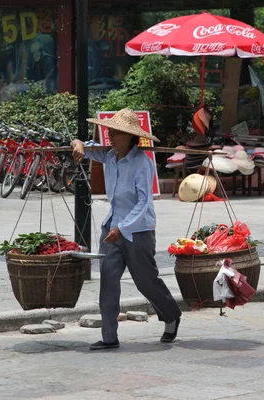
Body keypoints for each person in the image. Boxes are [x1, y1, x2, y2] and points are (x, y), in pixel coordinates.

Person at [71, 108, 182, 350]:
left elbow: (144, 201)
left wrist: (122, 228)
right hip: (112, 227)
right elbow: (86, 146)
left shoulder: (141, 162)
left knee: (145, 280)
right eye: (110, 131)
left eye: (117, 132)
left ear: (131, 136)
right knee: (108, 281)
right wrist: (78, 142)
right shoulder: (109, 155)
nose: (111, 135)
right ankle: (109, 337)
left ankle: (171, 314)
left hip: (138, 230)